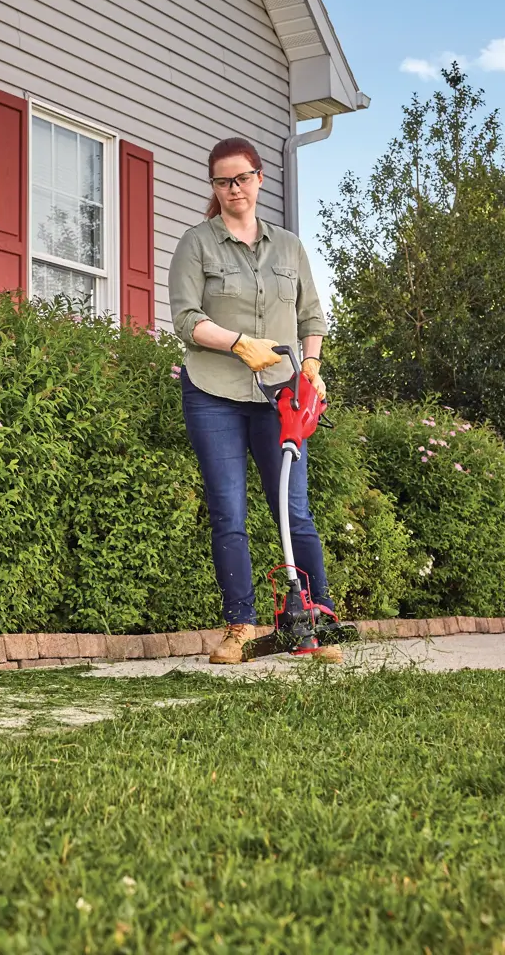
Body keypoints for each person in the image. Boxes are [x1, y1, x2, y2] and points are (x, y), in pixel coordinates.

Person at [168, 137, 340, 665]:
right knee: (229, 513)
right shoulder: (197, 244)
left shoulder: (288, 247)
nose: (233, 189)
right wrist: (240, 344)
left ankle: (316, 623)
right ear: (214, 188)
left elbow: (312, 318)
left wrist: (310, 367)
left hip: (281, 396)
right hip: (213, 394)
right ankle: (240, 627)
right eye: (222, 181)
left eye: (241, 178)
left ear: (260, 178)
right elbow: (185, 320)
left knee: (294, 511)